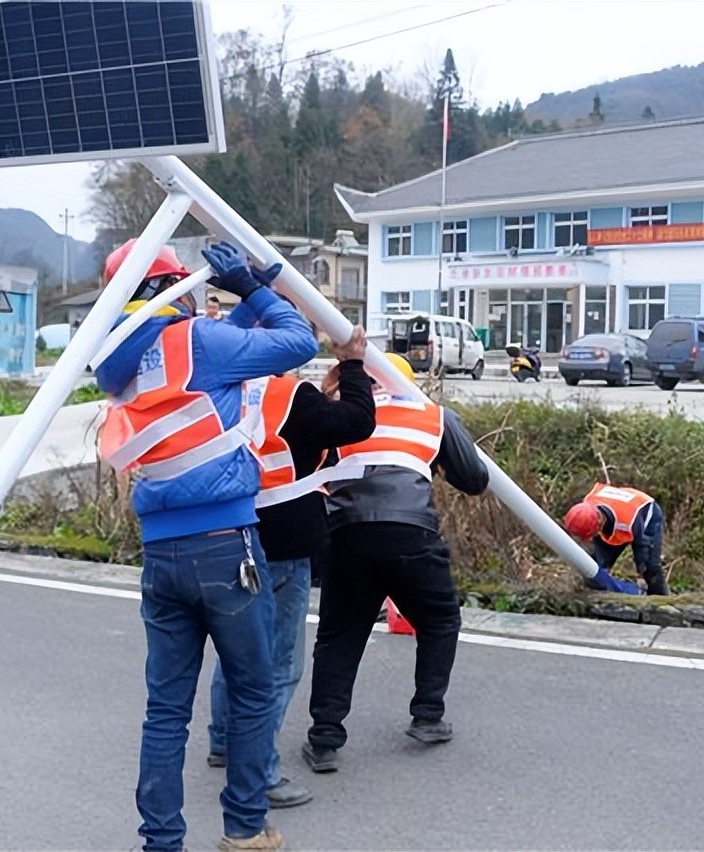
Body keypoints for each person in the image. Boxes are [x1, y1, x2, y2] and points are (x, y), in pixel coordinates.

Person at [95, 238, 317, 852]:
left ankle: (160, 842)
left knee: (166, 709)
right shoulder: (200, 342)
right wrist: (252, 289)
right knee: (251, 688)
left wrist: (253, 294)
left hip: (161, 555)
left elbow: (212, 354)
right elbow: (299, 343)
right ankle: (245, 828)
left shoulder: (119, 361)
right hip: (225, 546)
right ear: (176, 285)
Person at [207, 323, 377, 809]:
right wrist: (352, 365)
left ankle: (223, 741)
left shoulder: (217, 388)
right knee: (278, 662)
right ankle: (257, 768)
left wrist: (322, 399)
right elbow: (357, 423)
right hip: (283, 542)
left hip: (224, 533)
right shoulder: (290, 394)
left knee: (235, 649)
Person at [304, 352, 489, 773]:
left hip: (346, 533)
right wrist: (434, 460)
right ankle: (427, 716)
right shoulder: (433, 415)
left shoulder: (343, 417)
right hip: (411, 534)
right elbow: (475, 480)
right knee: (440, 619)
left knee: (340, 635)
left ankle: (325, 739)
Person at [563, 484, 668, 596]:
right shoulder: (586, 506)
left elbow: (642, 546)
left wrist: (642, 572)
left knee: (650, 568)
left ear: (600, 524)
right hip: (616, 512)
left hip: (644, 511)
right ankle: (614, 592)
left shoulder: (629, 521)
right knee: (596, 567)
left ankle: (660, 601)